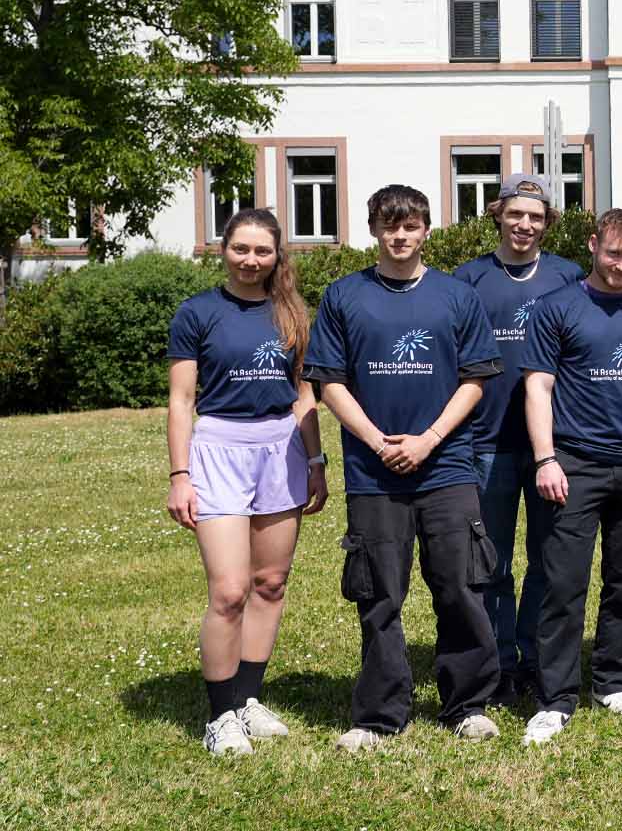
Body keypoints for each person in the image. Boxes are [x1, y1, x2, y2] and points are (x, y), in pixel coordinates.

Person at [306, 185, 504, 750]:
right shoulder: (345, 296)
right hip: (374, 476)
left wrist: (429, 439)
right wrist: (375, 441)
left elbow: (476, 379)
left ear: (426, 230)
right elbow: (329, 382)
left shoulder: (455, 296)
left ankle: (468, 705)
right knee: (379, 595)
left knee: (461, 587)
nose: (400, 236)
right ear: (374, 229)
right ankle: (378, 715)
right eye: (390, 226)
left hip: (446, 469)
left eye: (411, 225)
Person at [520, 209, 622, 745]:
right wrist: (546, 459)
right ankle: (555, 698)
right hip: (575, 464)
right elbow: (538, 388)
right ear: (594, 245)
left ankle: (613, 683)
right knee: (563, 585)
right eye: (614, 253)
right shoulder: (557, 308)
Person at [165, 209, 326, 756]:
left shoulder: (294, 314)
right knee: (229, 591)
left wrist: (316, 461)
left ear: (278, 255)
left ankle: (248, 700)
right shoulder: (198, 313)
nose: (251, 260)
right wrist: (180, 475)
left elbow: (305, 395)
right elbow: (182, 401)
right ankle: (220, 716)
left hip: (281, 450)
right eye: (241, 249)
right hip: (219, 450)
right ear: (223, 249)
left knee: (270, 583)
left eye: (262, 251)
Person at [452, 174, 585, 704]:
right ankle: (497, 661)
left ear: (547, 222)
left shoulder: (568, 277)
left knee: (549, 558)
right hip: (488, 442)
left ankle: (535, 656)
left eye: (535, 216)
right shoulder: (468, 280)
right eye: (515, 214)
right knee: (493, 559)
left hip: (555, 444)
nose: (524, 225)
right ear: (498, 215)